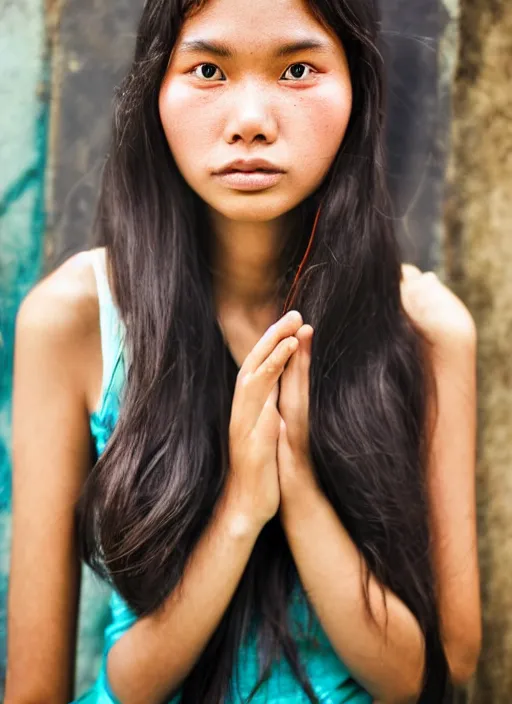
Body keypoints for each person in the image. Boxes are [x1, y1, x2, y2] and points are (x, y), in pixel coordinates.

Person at [6, 0, 481, 702]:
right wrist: (237, 510)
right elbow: (42, 691)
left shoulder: (425, 328)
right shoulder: (76, 319)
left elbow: (442, 669)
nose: (251, 119)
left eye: (296, 68)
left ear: (358, 89)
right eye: (207, 69)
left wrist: (301, 492)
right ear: (154, 90)